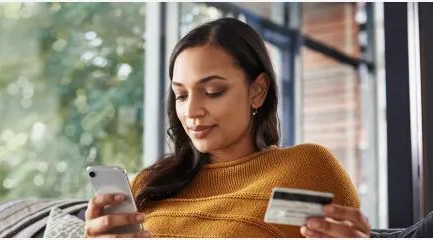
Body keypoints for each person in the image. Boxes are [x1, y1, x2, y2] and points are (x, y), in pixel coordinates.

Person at [84, 17, 371, 238]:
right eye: (181, 95)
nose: (191, 111)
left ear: (258, 90)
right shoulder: (150, 183)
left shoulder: (309, 168)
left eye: (212, 91)